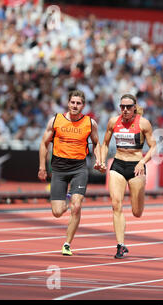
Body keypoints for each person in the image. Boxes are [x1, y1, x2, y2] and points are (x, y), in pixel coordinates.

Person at [38, 90, 104, 256]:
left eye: (79, 103)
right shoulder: (56, 120)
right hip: (59, 169)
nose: (75, 106)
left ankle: (67, 244)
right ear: (68, 103)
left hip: (79, 169)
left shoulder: (90, 123)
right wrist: (42, 167)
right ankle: (68, 197)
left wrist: (99, 160)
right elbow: (44, 144)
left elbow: (97, 143)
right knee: (57, 212)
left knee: (76, 206)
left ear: (83, 105)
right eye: (73, 102)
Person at [101, 94, 156, 259]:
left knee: (137, 212)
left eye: (128, 107)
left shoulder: (143, 123)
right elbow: (104, 144)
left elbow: (153, 147)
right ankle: (120, 245)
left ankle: (140, 193)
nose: (125, 110)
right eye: (122, 107)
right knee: (116, 205)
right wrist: (102, 160)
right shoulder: (113, 122)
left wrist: (143, 161)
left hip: (136, 167)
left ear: (134, 107)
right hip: (118, 164)